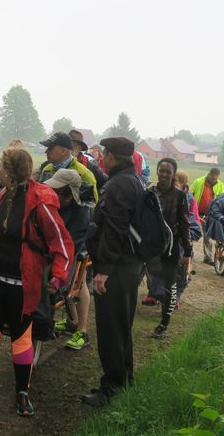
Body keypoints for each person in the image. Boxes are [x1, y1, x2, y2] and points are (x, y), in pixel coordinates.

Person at [0, 148, 73, 416]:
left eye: (3, 167)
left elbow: (61, 242)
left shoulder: (41, 202)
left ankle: (22, 393)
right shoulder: (2, 197)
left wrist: (59, 274)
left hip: (23, 282)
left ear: (9, 172)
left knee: (21, 335)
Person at [80, 137, 144, 407]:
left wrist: (103, 270)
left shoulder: (119, 184)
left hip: (116, 269)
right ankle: (125, 379)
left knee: (110, 329)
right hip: (128, 265)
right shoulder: (133, 180)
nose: (102, 158)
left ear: (112, 156)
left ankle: (112, 387)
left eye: (104, 153)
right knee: (122, 326)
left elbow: (115, 229)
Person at [44, 169, 92, 350]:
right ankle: (72, 321)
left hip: (74, 254)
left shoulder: (81, 214)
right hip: (53, 253)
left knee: (78, 285)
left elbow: (71, 245)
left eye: (57, 191)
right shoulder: (53, 205)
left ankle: (82, 331)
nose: (52, 193)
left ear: (69, 194)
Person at [146, 158, 192, 340]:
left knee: (170, 286)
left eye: (168, 172)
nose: (164, 174)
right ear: (157, 171)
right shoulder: (150, 193)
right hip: (150, 246)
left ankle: (164, 324)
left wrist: (187, 251)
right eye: (161, 170)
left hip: (171, 248)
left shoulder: (180, 196)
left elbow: (184, 224)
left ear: (173, 175)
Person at [38, 132, 98, 202]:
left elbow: (92, 206)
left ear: (63, 151)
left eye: (50, 148)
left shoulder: (84, 174)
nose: (46, 152)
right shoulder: (46, 169)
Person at [174, 170, 201, 307]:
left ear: (183, 184)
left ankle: (177, 295)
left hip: (182, 241)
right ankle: (155, 293)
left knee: (182, 270)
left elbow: (195, 221)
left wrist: (187, 235)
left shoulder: (190, 200)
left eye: (175, 181)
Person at [190, 168, 224, 264]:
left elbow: (223, 198)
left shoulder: (220, 185)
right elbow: (190, 193)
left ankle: (208, 257)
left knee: (207, 236)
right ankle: (189, 253)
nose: (213, 179)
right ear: (209, 174)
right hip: (197, 213)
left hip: (210, 215)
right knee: (191, 233)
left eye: (215, 178)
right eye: (212, 177)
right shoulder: (199, 181)